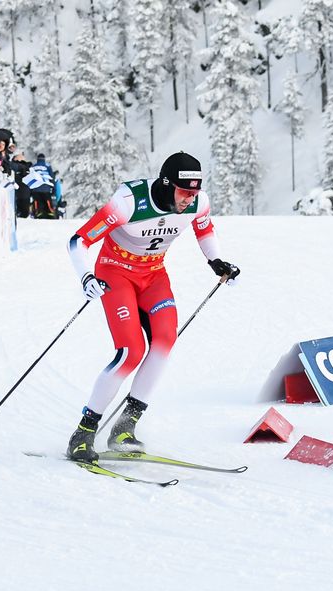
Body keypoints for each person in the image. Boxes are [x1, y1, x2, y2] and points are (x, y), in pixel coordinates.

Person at [64, 152, 240, 462]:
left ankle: (125, 427)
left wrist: (216, 261)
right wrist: (85, 276)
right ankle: (84, 431)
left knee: (165, 340)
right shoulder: (128, 202)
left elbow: (204, 229)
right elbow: (78, 241)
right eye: (185, 192)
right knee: (130, 352)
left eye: (195, 192)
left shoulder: (198, 202)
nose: (190, 199)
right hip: (115, 272)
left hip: (153, 274)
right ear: (166, 184)